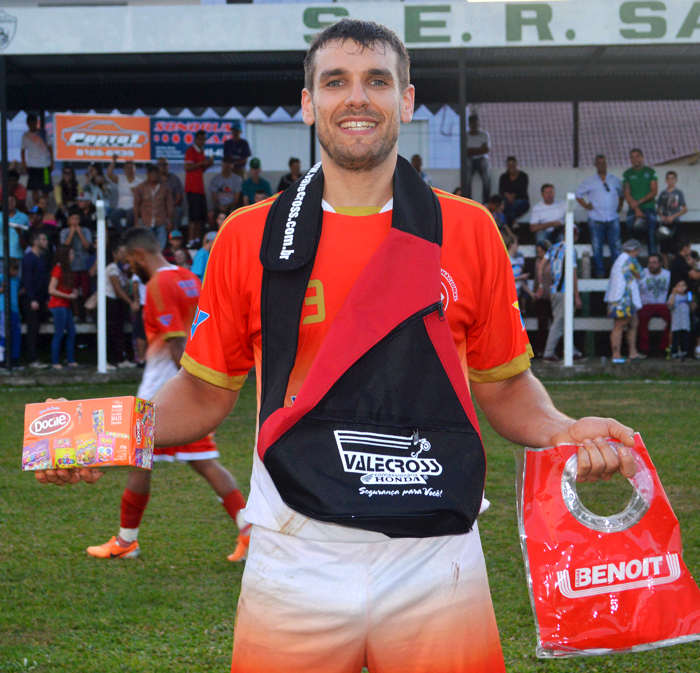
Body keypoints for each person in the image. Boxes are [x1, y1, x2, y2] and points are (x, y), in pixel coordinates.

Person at [35, 20, 638, 672]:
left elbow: (503, 383)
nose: (357, 98)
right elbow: (207, 389)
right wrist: (103, 431)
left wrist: (563, 429)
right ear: (307, 102)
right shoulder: (249, 235)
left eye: (378, 80)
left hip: (436, 556)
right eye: (336, 82)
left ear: (406, 101)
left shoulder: (468, 230)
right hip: (295, 551)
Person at [78, 228, 248, 560]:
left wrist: (192, 383)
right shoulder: (187, 276)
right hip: (186, 389)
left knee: (179, 463)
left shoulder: (157, 285)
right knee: (187, 463)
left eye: (130, 261)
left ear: (139, 256)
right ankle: (245, 528)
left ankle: (128, 542)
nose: (130, 268)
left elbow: (175, 343)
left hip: (169, 393)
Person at [575, 154, 623, 278]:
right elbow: (578, 194)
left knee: (616, 246)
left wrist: (620, 206)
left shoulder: (614, 179)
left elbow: (622, 193)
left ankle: (616, 272)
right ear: (595, 165)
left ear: (606, 164)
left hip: (612, 217)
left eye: (603, 162)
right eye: (599, 163)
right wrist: (586, 206)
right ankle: (599, 272)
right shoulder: (589, 181)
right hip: (596, 218)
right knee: (597, 247)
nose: (601, 165)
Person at [542, 227, 585, 363]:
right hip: (564, 291)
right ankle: (548, 353)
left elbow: (543, 266)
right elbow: (573, 274)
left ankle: (571, 351)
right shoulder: (570, 249)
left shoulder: (554, 247)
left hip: (554, 289)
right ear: (575, 235)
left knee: (565, 322)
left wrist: (543, 286)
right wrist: (577, 296)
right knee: (559, 323)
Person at [605, 239, 645, 364]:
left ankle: (633, 352)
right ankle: (616, 354)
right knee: (619, 326)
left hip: (625, 297)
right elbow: (641, 274)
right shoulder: (630, 260)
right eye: (637, 250)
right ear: (633, 250)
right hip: (623, 298)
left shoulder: (619, 260)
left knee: (633, 323)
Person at [106, 241, 137, 369]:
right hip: (111, 302)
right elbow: (117, 290)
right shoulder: (112, 268)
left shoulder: (118, 268)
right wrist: (131, 303)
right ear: (114, 254)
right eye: (121, 252)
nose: (124, 255)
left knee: (118, 331)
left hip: (116, 303)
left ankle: (120, 358)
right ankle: (116, 359)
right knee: (114, 331)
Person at [47, 244, 80, 370]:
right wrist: (69, 296)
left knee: (72, 332)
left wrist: (73, 292)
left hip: (65, 305)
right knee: (59, 333)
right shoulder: (58, 269)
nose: (73, 256)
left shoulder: (67, 269)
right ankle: (55, 361)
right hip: (58, 305)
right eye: (71, 253)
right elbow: (51, 289)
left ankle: (70, 360)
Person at [21, 230, 50, 369]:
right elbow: (27, 280)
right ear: (35, 242)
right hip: (31, 300)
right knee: (32, 329)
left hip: (40, 299)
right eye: (43, 239)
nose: (46, 242)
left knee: (37, 328)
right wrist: (32, 299)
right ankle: (32, 359)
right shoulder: (28, 259)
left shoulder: (41, 258)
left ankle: (36, 357)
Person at [623, 149, 658, 255]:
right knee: (632, 240)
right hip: (633, 210)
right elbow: (627, 194)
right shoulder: (627, 174)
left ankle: (652, 264)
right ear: (630, 159)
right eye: (632, 157)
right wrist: (637, 209)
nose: (635, 159)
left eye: (637, 156)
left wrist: (639, 202)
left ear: (642, 157)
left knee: (652, 237)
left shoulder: (650, 172)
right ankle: (633, 265)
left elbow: (654, 191)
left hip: (649, 209)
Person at [59, 211, 93, 321]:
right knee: (73, 291)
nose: (75, 221)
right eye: (73, 219)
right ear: (68, 220)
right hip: (71, 267)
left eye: (77, 219)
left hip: (84, 266)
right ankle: (76, 314)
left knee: (86, 291)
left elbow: (88, 247)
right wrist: (72, 233)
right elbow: (65, 247)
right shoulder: (64, 232)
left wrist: (79, 233)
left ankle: (88, 314)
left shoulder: (85, 231)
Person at [636, 253, 671, 357]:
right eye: (649, 262)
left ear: (660, 264)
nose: (651, 265)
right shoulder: (642, 273)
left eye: (654, 263)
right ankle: (644, 349)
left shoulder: (667, 274)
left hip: (662, 304)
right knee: (641, 320)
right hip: (646, 304)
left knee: (673, 319)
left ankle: (664, 348)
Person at [133, 163, 174, 251]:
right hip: (146, 221)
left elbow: (169, 206)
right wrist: (136, 221)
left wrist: (170, 221)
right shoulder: (140, 188)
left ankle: (159, 262)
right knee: (147, 246)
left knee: (160, 247)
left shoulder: (165, 188)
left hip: (161, 221)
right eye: (152, 173)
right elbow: (136, 206)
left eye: (156, 173)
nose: (155, 175)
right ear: (147, 174)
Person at [184, 130, 214, 244]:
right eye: (201, 138)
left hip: (200, 188)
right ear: (196, 139)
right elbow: (187, 167)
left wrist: (207, 165)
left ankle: (196, 239)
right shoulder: (190, 151)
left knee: (201, 217)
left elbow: (200, 170)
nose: (202, 141)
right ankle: (190, 240)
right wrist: (202, 163)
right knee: (193, 217)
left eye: (204, 139)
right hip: (192, 188)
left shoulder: (201, 152)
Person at [21, 113, 54, 205]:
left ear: (36, 122)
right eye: (30, 123)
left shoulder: (43, 133)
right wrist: (24, 164)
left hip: (45, 166)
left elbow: (50, 147)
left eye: (33, 122)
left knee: (46, 188)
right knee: (34, 188)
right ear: (27, 123)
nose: (32, 124)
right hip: (32, 167)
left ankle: (44, 206)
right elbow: (23, 151)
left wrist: (52, 162)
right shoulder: (25, 136)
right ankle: (36, 206)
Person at [656, 170, 687, 264]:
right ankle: (666, 268)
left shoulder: (679, 193)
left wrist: (673, 217)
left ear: (676, 180)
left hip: (675, 223)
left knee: (674, 249)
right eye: (668, 178)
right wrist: (662, 216)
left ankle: (674, 269)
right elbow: (658, 209)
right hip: (664, 223)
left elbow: (684, 209)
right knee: (664, 249)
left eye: (672, 178)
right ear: (666, 180)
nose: (670, 180)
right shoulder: (662, 193)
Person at [107, 157, 143, 233]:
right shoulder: (120, 179)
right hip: (121, 207)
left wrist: (136, 193)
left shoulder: (140, 182)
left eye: (131, 168)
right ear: (124, 170)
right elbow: (109, 174)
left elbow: (143, 197)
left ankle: (128, 233)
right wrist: (114, 161)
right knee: (113, 216)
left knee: (130, 215)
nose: (130, 170)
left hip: (133, 207)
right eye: (127, 168)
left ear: (135, 169)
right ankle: (123, 234)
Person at [531, 239, 553, 359]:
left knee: (555, 324)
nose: (539, 255)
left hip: (552, 297)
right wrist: (535, 294)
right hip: (541, 298)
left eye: (541, 252)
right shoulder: (537, 262)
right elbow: (536, 280)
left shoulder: (553, 262)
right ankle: (540, 349)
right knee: (542, 325)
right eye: (538, 252)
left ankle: (556, 350)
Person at [0, 259, 22, 369]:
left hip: (15, 310)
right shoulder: (2, 278)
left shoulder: (17, 280)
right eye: (14, 269)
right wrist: (2, 289)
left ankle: (14, 359)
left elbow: (16, 292)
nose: (16, 272)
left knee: (16, 334)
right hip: (4, 310)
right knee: (4, 335)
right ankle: (2, 359)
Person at [465, 114, 491, 203]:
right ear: (469, 124)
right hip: (469, 160)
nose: (474, 125)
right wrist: (480, 149)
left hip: (482, 159)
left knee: (486, 178)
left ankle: (486, 202)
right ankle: (468, 201)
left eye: (475, 123)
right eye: (472, 124)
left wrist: (472, 150)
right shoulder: (465, 136)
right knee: (466, 178)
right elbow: (466, 152)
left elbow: (486, 149)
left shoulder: (484, 135)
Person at [0, 195, 30, 271]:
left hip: (17, 254)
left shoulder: (24, 217)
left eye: (12, 201)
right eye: (7, 201)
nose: (10, 203)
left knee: (16, 281)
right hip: (1, 254)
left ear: (16, 203)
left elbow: (28, 234)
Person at [498, 156, 529, 226]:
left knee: (509, 210)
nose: (511, 167)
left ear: (516, 165)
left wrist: (513, 196)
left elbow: (523, 190)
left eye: (513, 164)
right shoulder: (503, 177)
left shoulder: (523, 176)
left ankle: (507, 228)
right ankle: (511, 226)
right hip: (507, 201)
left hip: (522, 201)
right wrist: (507, 195)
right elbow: (501, 190)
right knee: (507, 208)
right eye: (509, 165)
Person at [157, 157, 185, 230]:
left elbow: (179, 197)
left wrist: (170, 207)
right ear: (157, 166)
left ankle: (174, 237)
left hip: (173, 206)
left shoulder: (174, 178)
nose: (163, 166)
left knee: (178, 211)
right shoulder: (155, 179)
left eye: (165, 164)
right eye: (161, 164)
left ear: (168, 166)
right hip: (158, 207)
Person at [667, 279, 691, 360]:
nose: (681, 288)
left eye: (683, 285)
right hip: (676, 323)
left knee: (685, 339)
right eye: (679, 286)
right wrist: (673, 294)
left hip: (685, 323)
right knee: (676, 339)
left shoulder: (687, 296)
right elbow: (670, 305)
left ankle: (684, 354)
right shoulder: (673, 296)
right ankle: (674, 354)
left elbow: (691, 307)